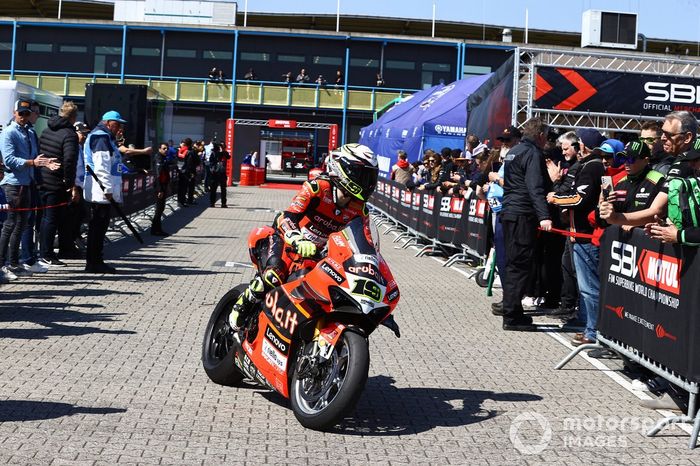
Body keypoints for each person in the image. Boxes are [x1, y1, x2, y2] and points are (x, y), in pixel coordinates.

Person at [229, 143, 379, 330]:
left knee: (318, 293)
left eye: (371, 177)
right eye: (362, 175)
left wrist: (371, 267)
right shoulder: (318, 187)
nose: (368, 183)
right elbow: (288, 215)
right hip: (287, 241)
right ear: (343, 169)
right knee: (274, 276)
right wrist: (296, 238)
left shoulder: (360, 209)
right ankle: (244, 302)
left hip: (319, 255)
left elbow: (365, 242)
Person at [547, 128, 606, 345]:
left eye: (578, 144)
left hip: (586, 235)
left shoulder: (592, 167)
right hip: (578, 234)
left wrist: (556, 199)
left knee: (590, 288)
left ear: (582, 145)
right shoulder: (588, 166)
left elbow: (579, 199)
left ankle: (593, 331)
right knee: (585, 286)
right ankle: (586, 323)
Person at [500, 117, 553, 331]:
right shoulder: (532, 153)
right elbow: (535, 187)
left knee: (514, 263)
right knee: (520, 265)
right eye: (546, 137)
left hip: (510, 212)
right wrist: (544, 216)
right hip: (522, 215)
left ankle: (513, 310)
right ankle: (512, 315)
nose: (547, 141)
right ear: (540, 135)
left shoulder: (515, 150)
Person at [0, 99, 59, 281]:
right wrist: (32, 163)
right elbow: (9, 159)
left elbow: (35, 157)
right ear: (14, 113)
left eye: (27, 113)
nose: (24, 117)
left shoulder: (30, 132)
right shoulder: (9, 132)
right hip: (14, 184)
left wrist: (45, 163)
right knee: (10, 225)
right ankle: (3, 265)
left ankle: (14, 263)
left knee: (22, 225)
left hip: (27, 183)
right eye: (21, 113)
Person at [83, 110, 127, 274]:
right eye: (117, 124)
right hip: (100, 189)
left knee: (100, 227)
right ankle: (94, 262)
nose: (119, 128)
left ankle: (96, 260)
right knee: (97, 228)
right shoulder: (101, 136)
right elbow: (101, 166)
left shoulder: (105, 136)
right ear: (108, 123)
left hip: (102, 189)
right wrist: (107, 189)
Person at [37, 100, 79, 268]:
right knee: (52, 219)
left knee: (45, 219)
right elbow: (69, 160)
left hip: (42, 178)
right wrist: (69, 182)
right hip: (56, 181)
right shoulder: (69, 134)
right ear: (73, 117)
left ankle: (44, 252)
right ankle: (46, 254)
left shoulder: (47, 129)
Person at [151, 142, 172, 236]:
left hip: (163, 185)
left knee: (161, 208)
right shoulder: (158, 158)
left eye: (167, 148)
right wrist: (159, 189)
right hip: (159, 186)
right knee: (159, 209)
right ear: (159, 149)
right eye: (164, 148)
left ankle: (157, 229)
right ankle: (155, 230)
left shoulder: (164, 158)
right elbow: (157, 175)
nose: (166, 150)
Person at [209, 142, 230, 208]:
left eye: (223, 146)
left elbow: (228, 157)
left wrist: (222, 151)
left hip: (221, 173)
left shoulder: (224, 153)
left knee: (223, 189)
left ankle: (223, 203)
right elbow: (211, 162)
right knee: (214, 189)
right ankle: (212, 203)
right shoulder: (214, 153)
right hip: (216, 173)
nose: (222, 147)